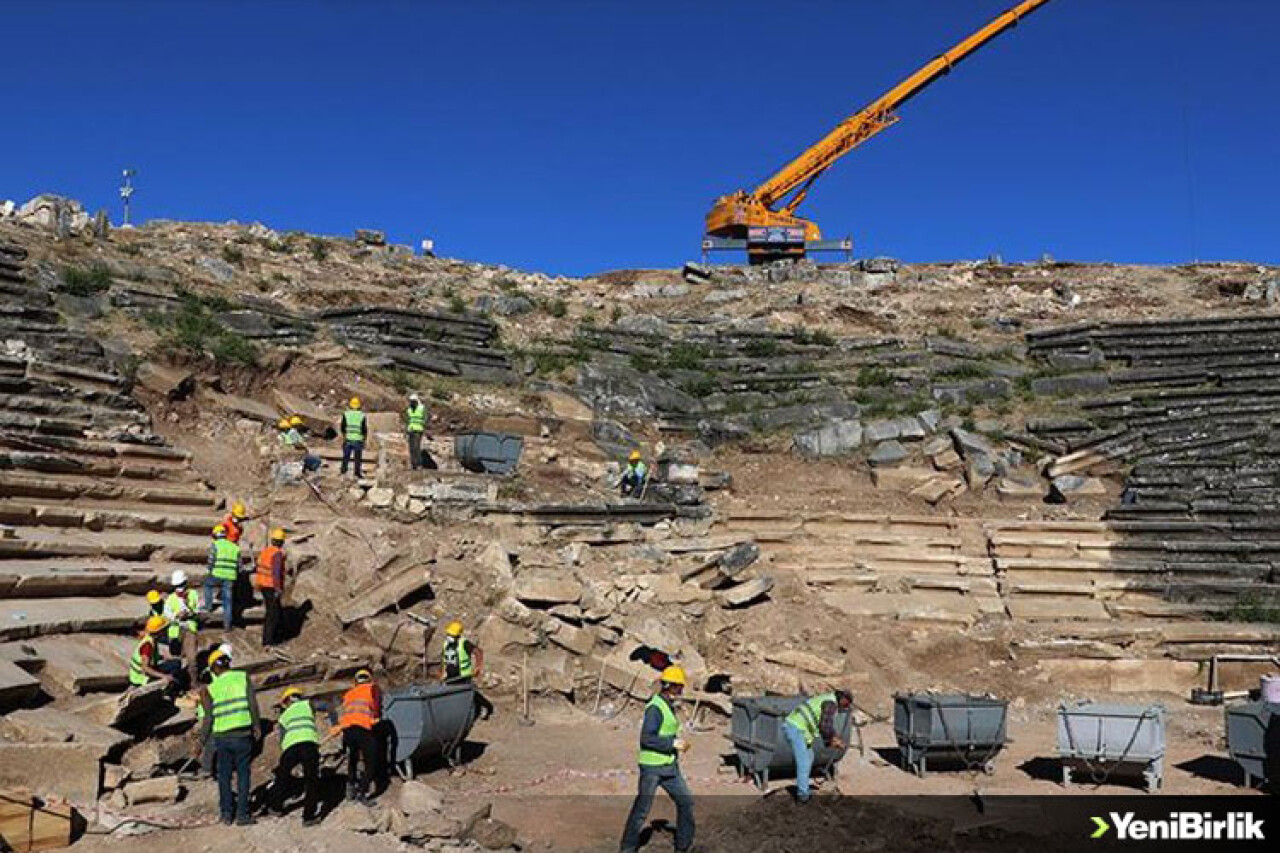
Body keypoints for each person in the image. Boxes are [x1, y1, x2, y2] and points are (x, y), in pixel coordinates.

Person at [619, 665, 694, 853]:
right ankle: (627, 848)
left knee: (685, 802)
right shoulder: (655, 707)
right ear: (670, 686)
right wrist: (672, 744)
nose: (681, 690)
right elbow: (647, 738)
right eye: (679, 686)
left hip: (669, 767)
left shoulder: (668, 705)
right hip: (652, 768)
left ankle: (683, 846)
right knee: (642, 810)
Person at [197, 649, 262, 826]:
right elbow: (252, 704)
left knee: (224, 775)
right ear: (228, 663)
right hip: (243, 734)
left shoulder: (211, 688)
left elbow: (209, 718)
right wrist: (257, 726)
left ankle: (226, 814)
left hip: (222, 736)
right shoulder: (242, 677)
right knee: (243, 774)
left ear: (213, 669)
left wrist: (202, 741)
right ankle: (242, 814)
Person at [781, 689, 852, 803]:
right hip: (795, 728)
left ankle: (803, 787)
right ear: (843, 699)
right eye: (846, 704)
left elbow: (825, 725)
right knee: (803, 761)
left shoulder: (828, 699)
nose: (845, 707)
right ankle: (803, 796)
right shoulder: (830, 704)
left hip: (800, 729)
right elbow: (824, 726)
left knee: (809, 757)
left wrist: (832, 738)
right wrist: (832, 740)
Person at [271, 687, 323, 826]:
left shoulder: (284, 716)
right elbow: (326, 706)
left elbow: (282, 738)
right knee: (311, 780)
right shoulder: (308, 705)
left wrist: (284, 753)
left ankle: (276, 807)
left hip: (291, 746)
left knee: (282, 776)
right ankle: (308, 817)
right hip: (309, 743)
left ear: (287, 700)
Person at [336, 669, 382, 803]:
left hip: (348, 730)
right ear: (369, 679)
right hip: (363, 727)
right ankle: (362, 792)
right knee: (371, 761)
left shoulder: (349, 694)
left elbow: (345, 711)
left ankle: (350, 786)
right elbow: (377, 709)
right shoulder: (372, 689)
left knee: (353, 758)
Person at [441, 621, 494, 720]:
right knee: (453, 695)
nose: (450, 636)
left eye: (452, 634)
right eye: (449, 634)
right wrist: (443, 672)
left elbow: (478, 652)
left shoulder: (464, 643)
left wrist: (478, 667)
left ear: (458, 635)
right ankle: (459, 713)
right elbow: (445, 659)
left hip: (463, 675)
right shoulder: (446, 644)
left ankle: (487, 707)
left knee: (470, 694)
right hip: (451, 676)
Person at [128, 615, 187, 691]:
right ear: (159, 632)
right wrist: (163, 676)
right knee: (167, 682)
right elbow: (145, 668)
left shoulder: (152, 640)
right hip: (140, 677)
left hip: (147, 671)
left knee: (175, 663)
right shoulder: (147, 645)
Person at [202, 524, 241, 631]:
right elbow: (239, 566)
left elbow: (211, 560)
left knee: (207, 585)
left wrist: (209, 570)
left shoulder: (216, 545)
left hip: (217, 573)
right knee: (227, 601)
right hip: (230, 577)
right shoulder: (235, 547)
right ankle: (227, 625)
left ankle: (209, 606)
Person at [163, 569, 200, 679]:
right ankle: (178, 682)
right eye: (177, 586)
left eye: (181, 585)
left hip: (189, 629)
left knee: (192, 659)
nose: (179, 588)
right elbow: (166, 615)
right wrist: (176, 616)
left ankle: (194, 681)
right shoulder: (170, 599)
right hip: (175, 632)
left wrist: (189, 612)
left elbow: (198, 610)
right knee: (176, 660)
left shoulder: (193, 594)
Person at [254, 527, 288, 647]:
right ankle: (268, 641)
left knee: (274, 611)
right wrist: (278, 589)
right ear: (282, 542)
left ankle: (273, 637)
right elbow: (276, 572)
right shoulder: (277, 554)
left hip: (263, 584)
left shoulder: (266, 551)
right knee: (272, 614)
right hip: (271, 586)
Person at [339, 397, 367, 478]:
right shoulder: (362, 415)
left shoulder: (346, 414)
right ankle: (357, 473)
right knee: (357, 458)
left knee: (346, 456)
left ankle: (343, 471)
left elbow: (343, 427)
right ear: (358, 406)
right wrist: (364, 438)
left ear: (350, 405)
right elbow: (363, 429)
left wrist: (344, 435)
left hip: (348, 439)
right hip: (358, 439)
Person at [405, 393, 428, 470]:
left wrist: (424, 426)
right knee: (411, 448)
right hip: (411, 430)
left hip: (418, 430)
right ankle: (413, 464)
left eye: (413, 401)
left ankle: (418, 464)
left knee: (416, 447)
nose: (412, 403)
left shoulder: (421, 408)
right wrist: (406, 431)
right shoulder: (409, 409)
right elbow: (408, 420)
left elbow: (425, 418)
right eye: (411, 401)